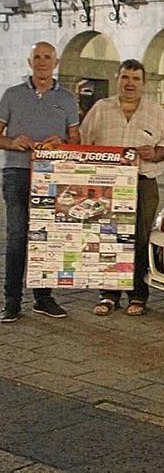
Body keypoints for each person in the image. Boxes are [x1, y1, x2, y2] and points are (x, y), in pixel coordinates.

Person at [80, 59, 164, 316]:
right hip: (106, 185)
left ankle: (138, 295)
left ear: (143, 83)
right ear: (118, 80)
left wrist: (154, 152)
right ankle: (108, 294)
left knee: (139, 240)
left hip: (143, 184)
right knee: (109, 239)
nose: (130, 83)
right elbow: (82, 142)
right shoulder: (101, 108)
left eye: (135, 79)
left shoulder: (155, 111)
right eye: (125, 77)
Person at [0, 42, 80, 323]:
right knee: (17, 237)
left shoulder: (68, 98)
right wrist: (12, 142)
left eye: (48, 57)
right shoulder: (11, 95)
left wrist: (63, 143)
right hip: (17, 173)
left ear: (56, 63)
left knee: (45, 239)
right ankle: (11, 301)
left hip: (52, 176)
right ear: (29, 61)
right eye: (37, 57)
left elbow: (76, 139)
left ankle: (43, 298)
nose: (42, 62)